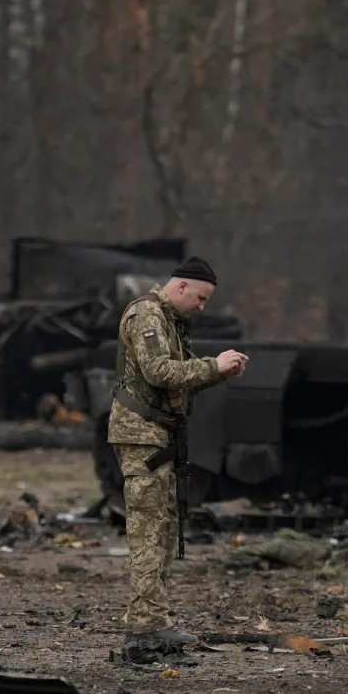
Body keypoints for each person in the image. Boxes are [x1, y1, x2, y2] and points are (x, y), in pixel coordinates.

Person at [107, 256, 249, 646]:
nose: (202, 307)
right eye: (200, 298)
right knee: (149, 531)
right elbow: (159, 372)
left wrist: (217, 372)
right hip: (142, 437)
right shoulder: (148, 315)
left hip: (158, 436)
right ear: (182, 286)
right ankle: (146, 625)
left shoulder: (170, 319)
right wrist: (212, 366)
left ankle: (153, 620)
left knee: (164, 531)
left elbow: (176, 383)